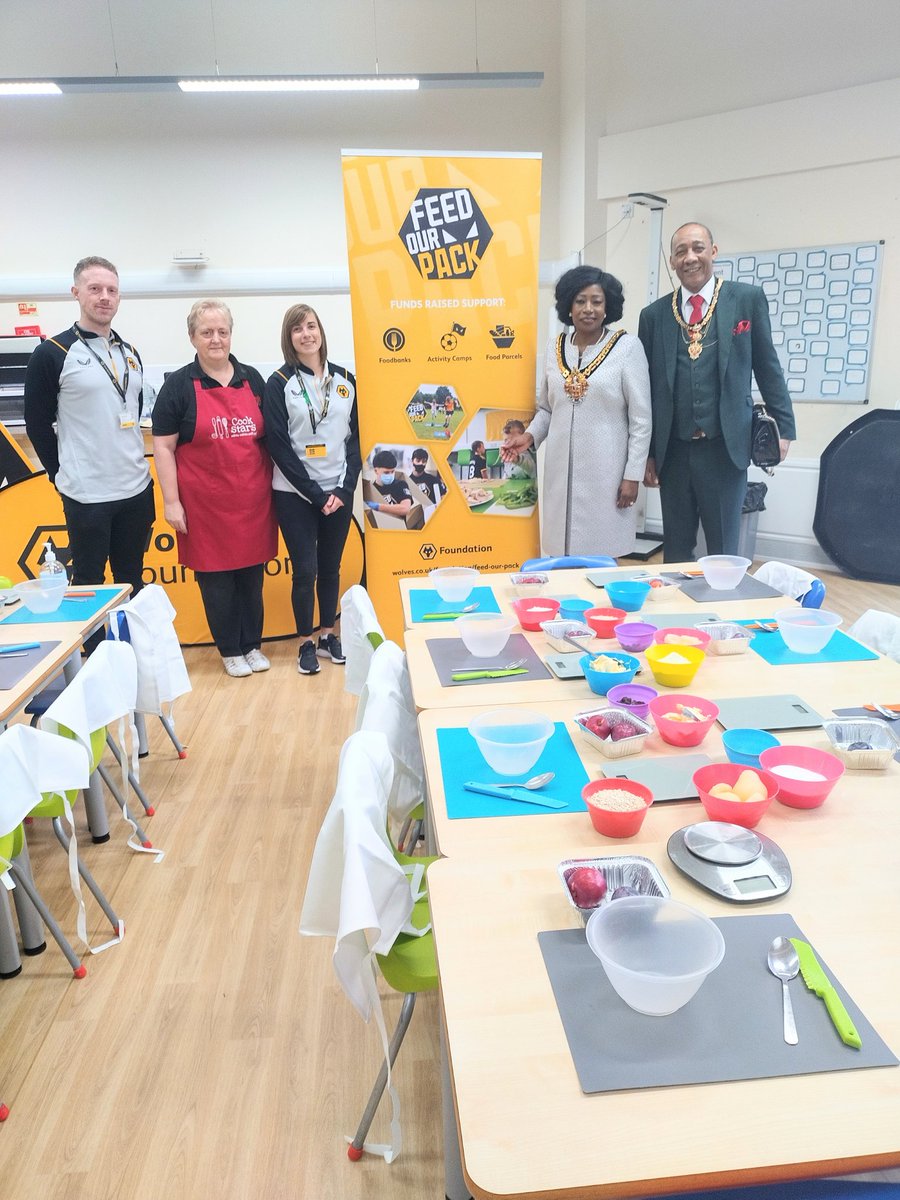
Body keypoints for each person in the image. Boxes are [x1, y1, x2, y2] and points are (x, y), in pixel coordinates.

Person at [638, 222, 796, 561]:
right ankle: (677, 612)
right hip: (674, 452)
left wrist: (784, 428)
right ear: (671, 260)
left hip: (726, 448)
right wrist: (649, 453)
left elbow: (768, 368)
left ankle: (721, 612)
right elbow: (649, 390)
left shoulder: (746, 300)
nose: (690, 258)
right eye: (681, 252)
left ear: (713, 252)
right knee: (676, 550)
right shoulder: (653, 316)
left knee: (725, 550)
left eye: (697, 248)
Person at [152, 300, 277, 679]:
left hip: (254, 502)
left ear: (231, 335)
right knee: (217, 583)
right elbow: (163, 446)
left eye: (222, 331)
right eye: (207, 332)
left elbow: (272, 438)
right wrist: (171, 502)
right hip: (204, 506)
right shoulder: (177, 387)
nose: (216, 339)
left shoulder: (253, 379)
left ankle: (252, 644)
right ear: (193, 337)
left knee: (251, 581)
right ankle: (230, 649)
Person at [25, 256, 155, 609]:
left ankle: (132, 655)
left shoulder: (129, 353)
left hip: (135, 488)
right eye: (95, 288)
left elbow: (133, 411)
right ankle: (95, 658)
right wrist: (59, 473)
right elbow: (37, 424)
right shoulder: (53, 353)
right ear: (76, 292)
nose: (104, 297)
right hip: (87, 494)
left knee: (132, 579)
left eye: (112, 290)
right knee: (88, 582)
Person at [501, 265, 652, 557]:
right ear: (568, 306)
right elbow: (546, 408)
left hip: (607, 473)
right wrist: (529, 437)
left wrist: (632, 475)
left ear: (608, 307)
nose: (588, 309)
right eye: (580, 301)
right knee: (561, 556)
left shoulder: (627, 348)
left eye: (597, 301)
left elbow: (641, 420)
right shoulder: (555, 347)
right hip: (560, 473)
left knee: (601, 558)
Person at [264, 304, 360, 677]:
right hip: (294, 494)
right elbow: (278, 446)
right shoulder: (278, 383)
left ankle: (328, 635)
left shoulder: (345, 379)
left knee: (331, 568)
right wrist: (315, 494)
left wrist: (342, 487)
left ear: (321, 331)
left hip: (338, 490)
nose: (306, 334)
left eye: (311, 326)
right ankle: (305, 641)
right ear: (289, 339)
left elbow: (354, 439)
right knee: (304, 570)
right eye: (297, 329)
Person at [367, 449, 413, 516]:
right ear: (376, 471)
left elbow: (405, 509)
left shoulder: (401, 485)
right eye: (386, 472)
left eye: (392, 471)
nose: (390, 475)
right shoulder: (370, 490)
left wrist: (378, 507)